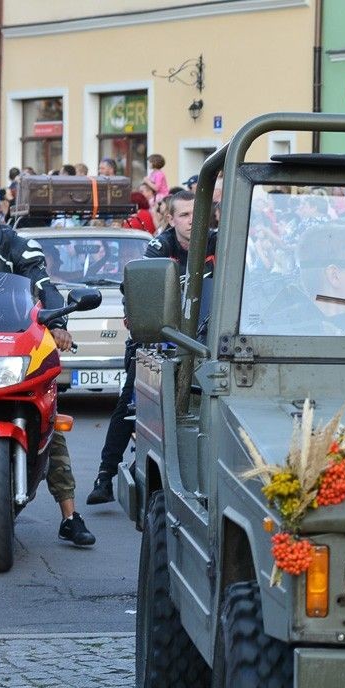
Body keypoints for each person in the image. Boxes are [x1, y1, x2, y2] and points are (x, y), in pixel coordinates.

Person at [0, 179, 94, 547]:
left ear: (0, 211)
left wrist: (59, 324)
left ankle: (69, 515)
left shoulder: (19, 245)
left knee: (46, 415)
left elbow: (43, 283)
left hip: (14, 344)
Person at [87, 190, 217, 505]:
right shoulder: (160, 248)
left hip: (206, 339)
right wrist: (136, 312)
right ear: (170, 219)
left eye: (196, 213)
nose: (191, 221)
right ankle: (105, 476)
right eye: (184, 215)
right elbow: (135, 287)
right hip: (161, 336)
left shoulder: (221, 243)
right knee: (129, 403)